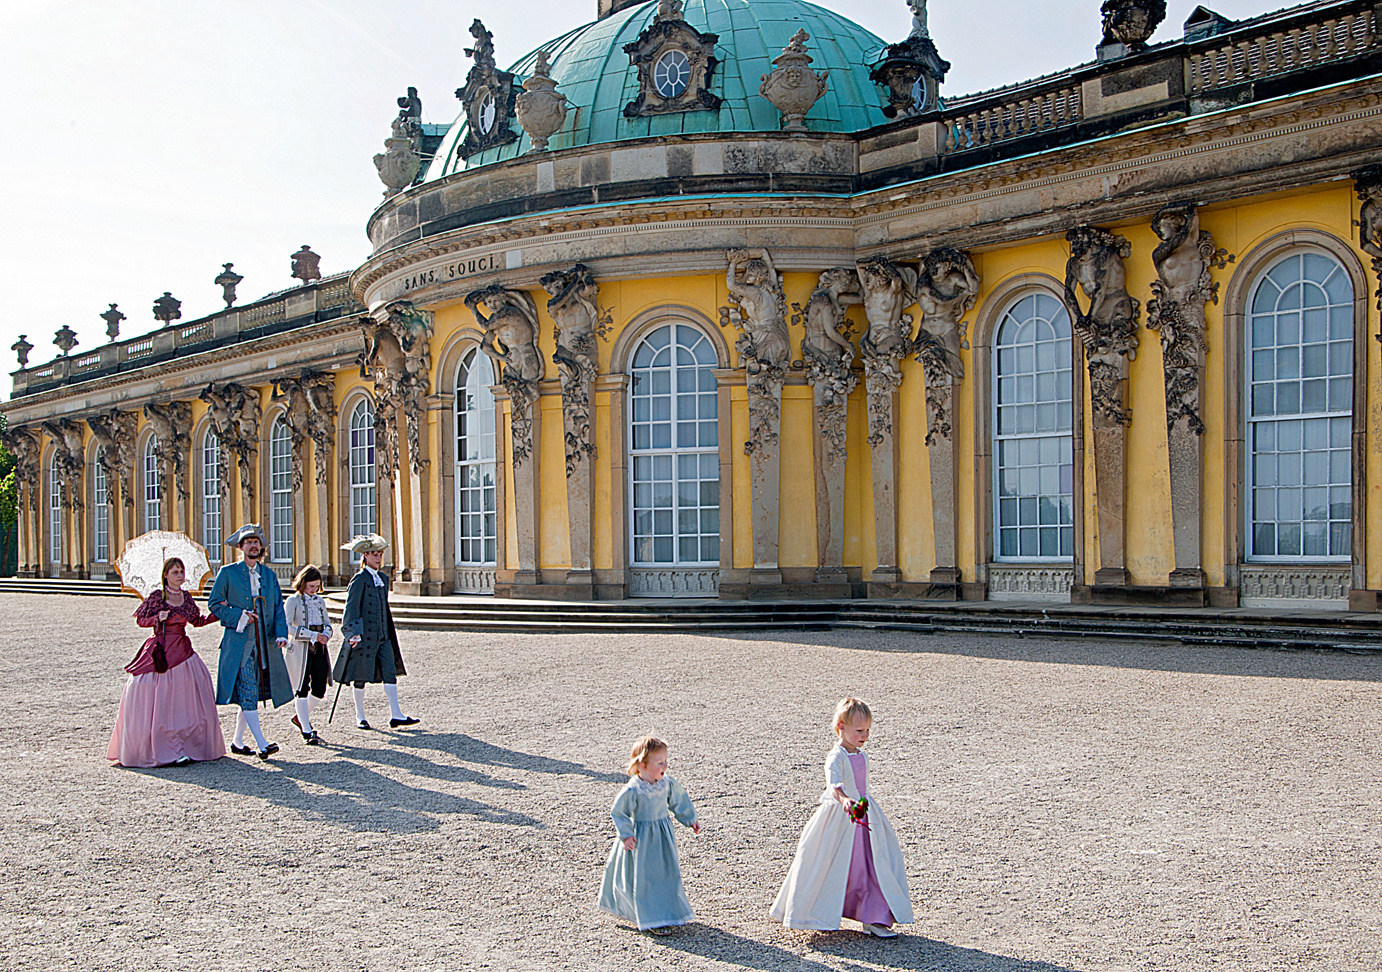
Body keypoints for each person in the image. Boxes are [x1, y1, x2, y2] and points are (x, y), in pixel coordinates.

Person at [770, 698, 913, 937]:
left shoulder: (861, 755)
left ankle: (873, 916)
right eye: (859, 730)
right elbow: (833, 784)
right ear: (840, 727)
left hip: (864, 815)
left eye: (867, 730)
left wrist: (861, 803)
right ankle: (818, 912)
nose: (864, 735)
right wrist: (845, 799)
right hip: (841, 817)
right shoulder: (836, 756)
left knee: (872, 864)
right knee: (830, 862)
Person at [107, 558, 225, 768]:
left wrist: (219, 613)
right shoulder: (157, 597)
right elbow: (140, 620)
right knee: (153, 694)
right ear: (166, 575)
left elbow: (197, 621)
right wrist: (156, 619)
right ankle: (158, 745)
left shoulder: (186, 598)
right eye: (175, 572)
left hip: (182, 650)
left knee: (188, 694)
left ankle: (186, 745)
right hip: (159, 651)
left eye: (182, 571)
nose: (180, 575)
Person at [597, 736, 701, 936]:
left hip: (661, 839)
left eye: (666, 761)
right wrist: (626, 834)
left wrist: (689, 818)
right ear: (643, 765)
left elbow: (678, 800)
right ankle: (650, 917)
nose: (665, 765)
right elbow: (619, 812)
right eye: (660, 762)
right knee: (643, 878)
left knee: (665, 875)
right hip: (641, 840)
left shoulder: (666, 783)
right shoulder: (634, 789)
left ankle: (666, 911)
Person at [207, 524, 293, 760]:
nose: (253, 545)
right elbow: (214, 604)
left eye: (257, 542)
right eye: (249, 542)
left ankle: (236, 741)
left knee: (253, 691)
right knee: (247, 687)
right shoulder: (227, 573)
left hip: (265, 643)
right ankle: (262, 744)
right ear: (241, 547)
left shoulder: (269, 575)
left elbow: (277, 607)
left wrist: (282, 633)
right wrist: (240, 616)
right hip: (240, 642)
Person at [335, 534, 418, 730]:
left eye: (380, 554)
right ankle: (360, 716)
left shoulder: (382, 578)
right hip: (365, 636)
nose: (378, 558)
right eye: (374, 554)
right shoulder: (359, 579)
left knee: (390, 673)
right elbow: (351, 607)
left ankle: (396, 714)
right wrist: (352, 633)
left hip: (383, 635)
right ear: (365, 557)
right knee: (360, 676)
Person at [284, 564, 333, 746]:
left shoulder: (319, 601)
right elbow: (287, 626)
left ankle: (299, 717)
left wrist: (326, 634)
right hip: (300, 650)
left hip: (319, 648)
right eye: (311, 586)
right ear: (303, 583)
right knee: (301, 688)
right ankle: (306, 727)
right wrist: (311, 635)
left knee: (320, 688)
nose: (314, 590)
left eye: (316, 586)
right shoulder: (293, 601)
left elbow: (327, 623)